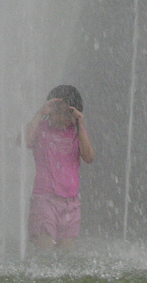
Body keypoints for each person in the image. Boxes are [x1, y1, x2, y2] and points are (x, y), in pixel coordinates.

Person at [17, 85, 95, 251]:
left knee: (66, 258)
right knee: (45, 253)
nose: (61, 117)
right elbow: (21, 140)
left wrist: (80, 123)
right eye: (58, 111)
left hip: (71, 204)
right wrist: (39, 114)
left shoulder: (76, 131)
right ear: (50, 109)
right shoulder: (41, 129)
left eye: (68, 112)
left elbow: (89, 157)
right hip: (44, 200)